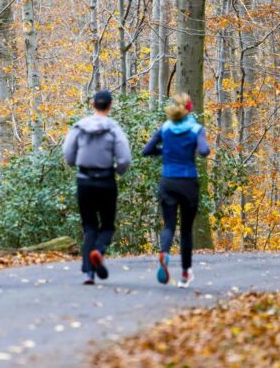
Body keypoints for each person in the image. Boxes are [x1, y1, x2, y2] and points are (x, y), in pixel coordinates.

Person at [142, 92, 210, 288]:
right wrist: (193, 149)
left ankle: (164, 252)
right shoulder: (196, 129)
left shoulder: (165, 128)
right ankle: (185, 274)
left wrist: (165, 151)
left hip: (168, 181)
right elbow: (204, 151)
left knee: (169, 225)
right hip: (188, 182)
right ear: (189, 109)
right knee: (186, 230)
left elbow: (146, 150)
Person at [63, 90, 132, 285]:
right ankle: (98, 252)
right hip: (106, 181)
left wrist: (75, 163)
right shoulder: (113, 129)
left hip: (84, 180)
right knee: (108, 225)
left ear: (93, 104)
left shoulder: (79, 127)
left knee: (89, 226)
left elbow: (68, 153)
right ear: (110, 106)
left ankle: (88, 273)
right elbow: (125, 158)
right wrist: (117, 171)